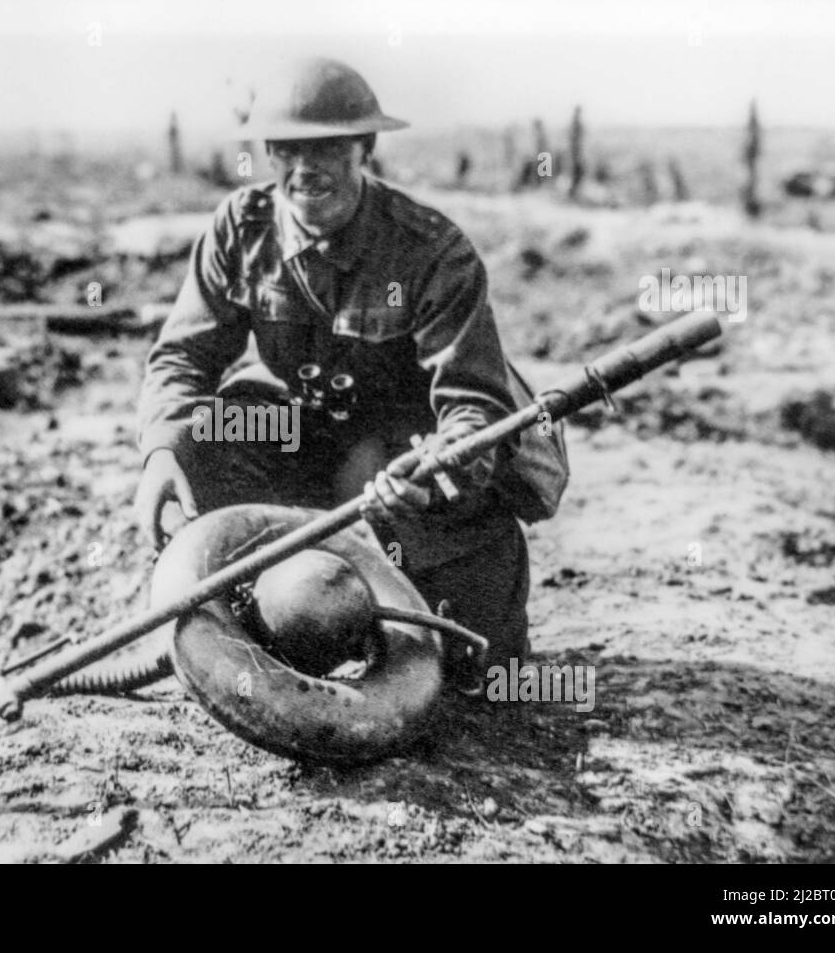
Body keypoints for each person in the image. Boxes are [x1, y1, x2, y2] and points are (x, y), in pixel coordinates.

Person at [135, 57, 567, 683]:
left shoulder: (430, 251)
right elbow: (182, 358)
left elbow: (474, 403)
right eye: (286, 149)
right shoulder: (241, 229)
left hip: (408, 460)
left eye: (328, 147)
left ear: (364, 147)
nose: (305, 169)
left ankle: (412, 602)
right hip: (306, 443)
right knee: (214, 429)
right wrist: (160, 453)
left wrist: (442, 464)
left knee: (473, 677)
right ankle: (257, 608)